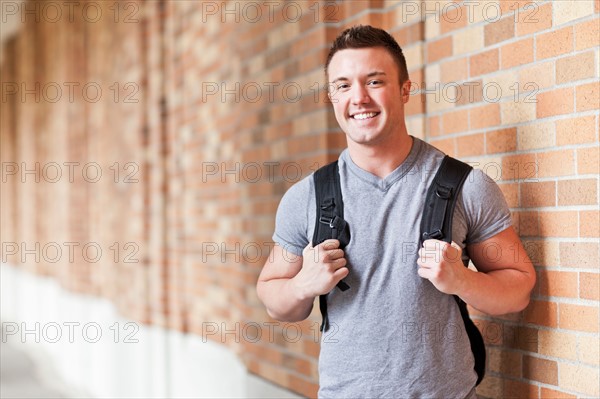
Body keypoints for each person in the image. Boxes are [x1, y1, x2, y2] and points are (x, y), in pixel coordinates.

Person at [256, 25, 536, 398]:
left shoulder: (464, 186)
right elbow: (275, 300)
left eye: (374, 81)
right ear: (331, 96)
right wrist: (303, 285)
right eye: (343, 85)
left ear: (405, 89)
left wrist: (462, 281)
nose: (358, 98)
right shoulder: (306, 197)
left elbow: (518, 290)